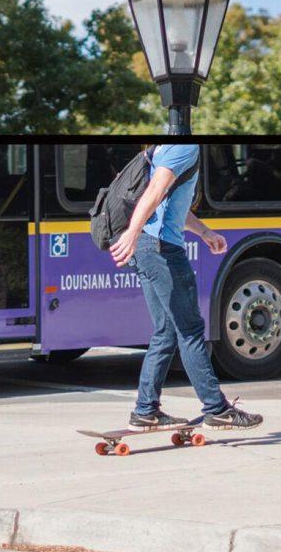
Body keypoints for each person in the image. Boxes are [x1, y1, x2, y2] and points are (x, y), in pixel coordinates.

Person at [109, 143, 263, 431]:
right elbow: (154, 193)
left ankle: (145, 411)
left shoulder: (161, 148)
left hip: (147, 245)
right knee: (190, 330)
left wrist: (204, 232)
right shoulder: (185, 146)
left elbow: (167, 203)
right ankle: (217, 410)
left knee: (165, 332)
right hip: (161, 249)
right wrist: (130, 233)